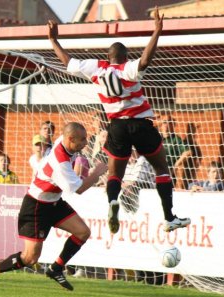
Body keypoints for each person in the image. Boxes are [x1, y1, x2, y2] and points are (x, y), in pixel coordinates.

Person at [48, 7, 190, 234]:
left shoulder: (96, 68)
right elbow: (144, 60)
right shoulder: (128, 69)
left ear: (108, 58)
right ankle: (169, 217)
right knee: (161, 168)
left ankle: (113, 202)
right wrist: (157, 31)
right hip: (141, 124)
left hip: (117, 127)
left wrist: (53, 40)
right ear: (124, 58)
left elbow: (68, 62)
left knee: (115, 174)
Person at [0, 123, 108, 291]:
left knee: (83, 232)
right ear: (70, 139)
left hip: (53, 202)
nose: (85, 142)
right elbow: (80, 189)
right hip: (36, 206)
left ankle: (56, 269)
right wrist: (98, 172)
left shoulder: (64, 141)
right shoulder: (60, 163)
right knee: (30, 258)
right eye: (82, 139)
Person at [159, 114, 186, 182]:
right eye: (165, 122)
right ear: (161, 124)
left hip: (169, 173)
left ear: (173, 125)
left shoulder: (176, 139)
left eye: (169, 123)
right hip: (154, 172)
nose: (166, 125)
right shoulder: (156, 138)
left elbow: (188, 152)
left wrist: (176, 165)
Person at [175, 123, 202, 190]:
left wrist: (198, 164)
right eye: (191, 129)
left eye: (193, 130)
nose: (192, 131)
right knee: (184, 184)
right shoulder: (185, 142)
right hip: (185, 167)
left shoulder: (194, 143)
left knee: (191, 183)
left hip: (193, 167)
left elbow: (199, 155)